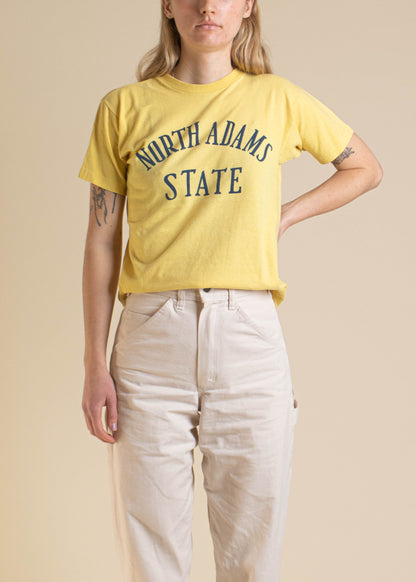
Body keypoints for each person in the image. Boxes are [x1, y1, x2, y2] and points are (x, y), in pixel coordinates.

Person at [78, 1, 383, 581]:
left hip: (248, 333)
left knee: (252, 560)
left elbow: (364, 167)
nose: (207, 6)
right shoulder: (124, 108)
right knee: (151, 559)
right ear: (169, 5)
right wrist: (95, 364)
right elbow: (101, 242)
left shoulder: (277, 99)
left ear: (247, 7)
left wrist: (285, 215)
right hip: (150, 341)